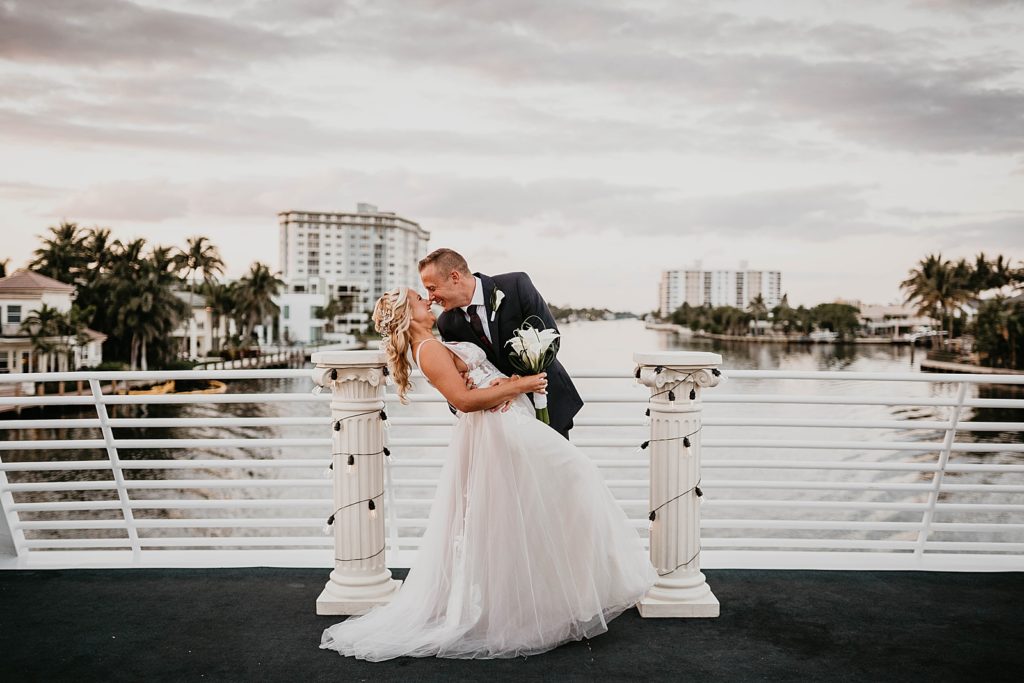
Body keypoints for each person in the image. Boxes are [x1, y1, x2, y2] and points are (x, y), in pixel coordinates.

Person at [320, 288, 657, 661]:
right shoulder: (428, 350)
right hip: (501, 430)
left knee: (529, 511)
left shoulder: (434, 342)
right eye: (419, 299)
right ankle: (556, 601)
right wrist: (521, 385)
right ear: (408, 315)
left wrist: (501, 384)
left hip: (507, 421)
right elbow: (464, 401)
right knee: (577, 475)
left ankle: (552, 601)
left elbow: (472, 384)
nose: (427, 301)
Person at [418, 248, 583, 439]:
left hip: (548, 402)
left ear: (455, 277)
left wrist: (514, 382)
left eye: (432, 288)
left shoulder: (516, 285)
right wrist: (465, 388)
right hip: (502, 419)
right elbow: (456, 380)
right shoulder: (447, 323)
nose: (430, 297)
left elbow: (550, 338)